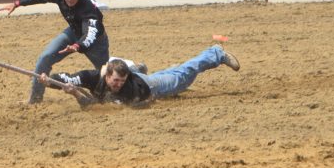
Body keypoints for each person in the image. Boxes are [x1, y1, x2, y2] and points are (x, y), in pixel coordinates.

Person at [0, 0, 109, 104]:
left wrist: (77, 46)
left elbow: (90, 33)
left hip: (95, 41)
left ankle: (113, 95)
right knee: (45, 58)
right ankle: (35, 99)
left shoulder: (89, 8)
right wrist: (17, 3)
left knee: (106, 73)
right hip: (73, 32)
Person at [40, 45, 239, 106]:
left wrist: (75, 94)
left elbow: (95, 106)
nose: (117, 84)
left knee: (183, 76)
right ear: (107, 75)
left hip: (149, 86)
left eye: (120, 81)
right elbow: (69, 78)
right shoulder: (93, 76)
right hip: (134, 75)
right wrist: (50, 80)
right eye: (115, 80)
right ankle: (139, 68)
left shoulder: (127, 90)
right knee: (172, 73)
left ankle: (216, 53)